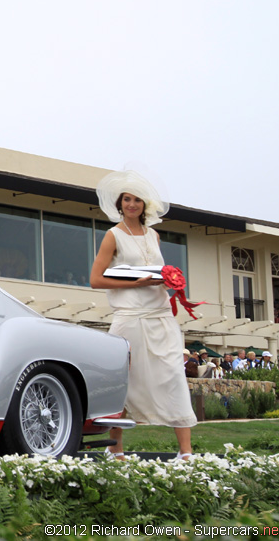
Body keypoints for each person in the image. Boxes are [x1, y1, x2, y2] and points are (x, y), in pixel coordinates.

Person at [90, 169, 195, 460]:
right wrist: (132, 283)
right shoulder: (113, 236)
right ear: (119, 204)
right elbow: (95, 279)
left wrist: (169, 279)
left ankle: (186, 452)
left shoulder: (154, 235)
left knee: (174, 374)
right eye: (127, 199)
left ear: (145, 205)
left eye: (137, 200)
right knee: (125, 379)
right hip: (130, 316)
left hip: (160, 314)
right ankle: (115, 449)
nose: (132, 204)